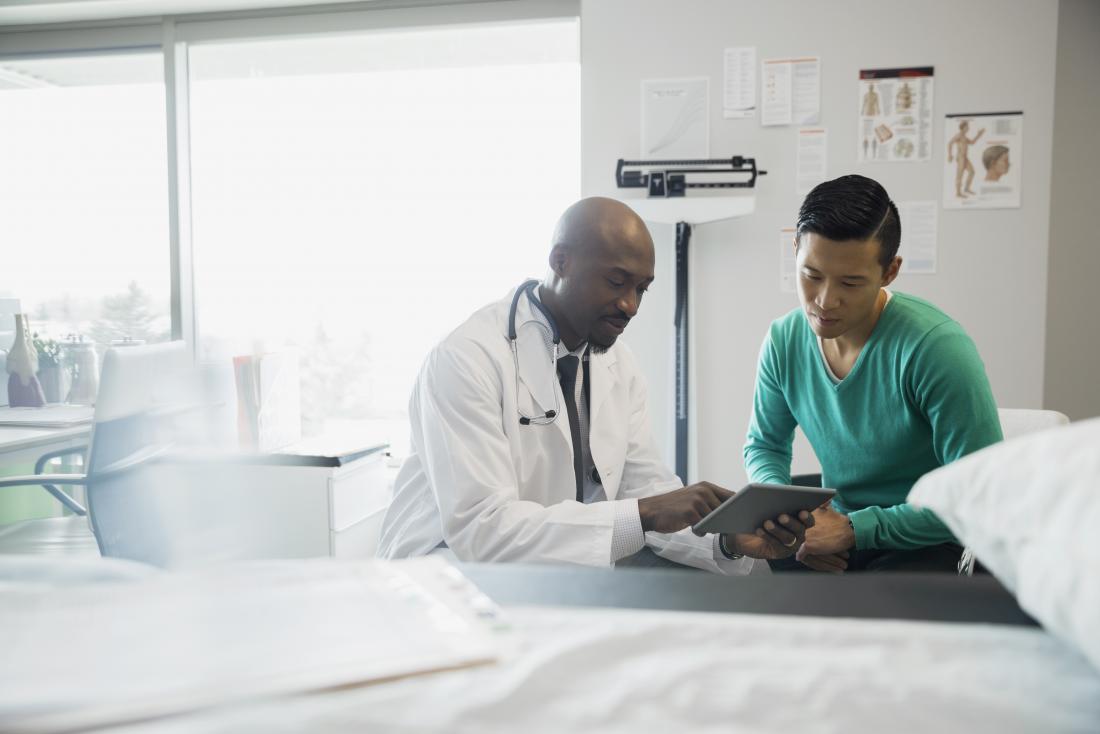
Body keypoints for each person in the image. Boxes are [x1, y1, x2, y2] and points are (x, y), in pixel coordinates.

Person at [379, 197, 811, 572]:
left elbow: (642, 489)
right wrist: (644, 513)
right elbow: (483, 533)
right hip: (446, 573)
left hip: (550, 570)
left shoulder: (618, 367)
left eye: (642, 289)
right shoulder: (467, 359)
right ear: (560, 262)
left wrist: (728, 539)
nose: (631, 305)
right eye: (617, 281)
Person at [744, 175, 1003, 573]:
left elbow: (979, 496)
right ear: (794, 250)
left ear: (890, 272)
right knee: (748, 586)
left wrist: (854, 530)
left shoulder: (937, 348)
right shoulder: (784, 339)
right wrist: (793, 521)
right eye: (811, 275)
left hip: (926, 539)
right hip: (836, 527)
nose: (825, 301)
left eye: (850, 282)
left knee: (870, 615)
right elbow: (764, 446)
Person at [947, 120, 985, 198]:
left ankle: (966, 188)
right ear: (964, 127)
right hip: (960, 157)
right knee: (960, 175)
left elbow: (972, 142)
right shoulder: (959, 135)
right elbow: (950, 143)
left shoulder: (964, 136)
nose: (968, 128)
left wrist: (978, 135)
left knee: (972, 172)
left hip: (965, 157)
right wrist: (950, 155)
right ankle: (958, 193)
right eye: (967, 127)